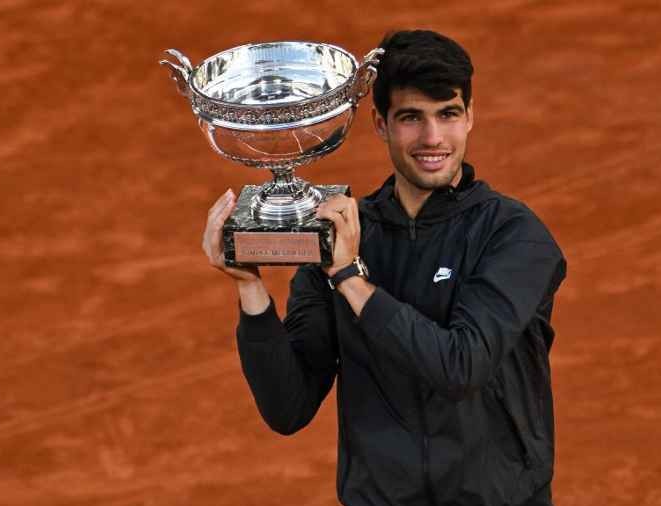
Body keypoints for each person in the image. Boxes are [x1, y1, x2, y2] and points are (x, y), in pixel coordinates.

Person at [201, 29, 566, 506]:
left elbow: (459, 366)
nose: (432, 138)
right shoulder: (343, 233)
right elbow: (287, 408)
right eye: (411, 118)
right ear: (380, 123)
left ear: (470, 117)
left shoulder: (513, 236)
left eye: (448, 115)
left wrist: (351, 279)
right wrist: (250, 290)